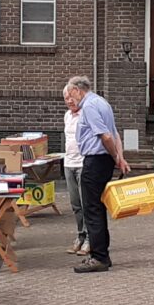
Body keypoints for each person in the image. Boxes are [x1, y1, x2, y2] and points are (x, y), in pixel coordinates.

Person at [65, 75, 132, 273]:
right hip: (103, 160)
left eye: (71, 93)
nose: (70, 98)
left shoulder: (90, 106)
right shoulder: (103, 102)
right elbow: (114, 132)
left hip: (95, 160)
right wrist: (119, 157)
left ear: (78, 90)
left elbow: (106, 135)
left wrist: (115, 155)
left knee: (92, 209)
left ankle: (99, 257)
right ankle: (102, 254)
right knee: (98, 208)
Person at [62, 95, 89, 257]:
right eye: (66, 98)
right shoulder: (67, 115)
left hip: (83, 163)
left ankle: (89, 239)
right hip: (68, 164)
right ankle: (80, 236)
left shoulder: (86, 114)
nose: (69, 101)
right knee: (75, 204)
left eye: (72, 97)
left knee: (86, 203)